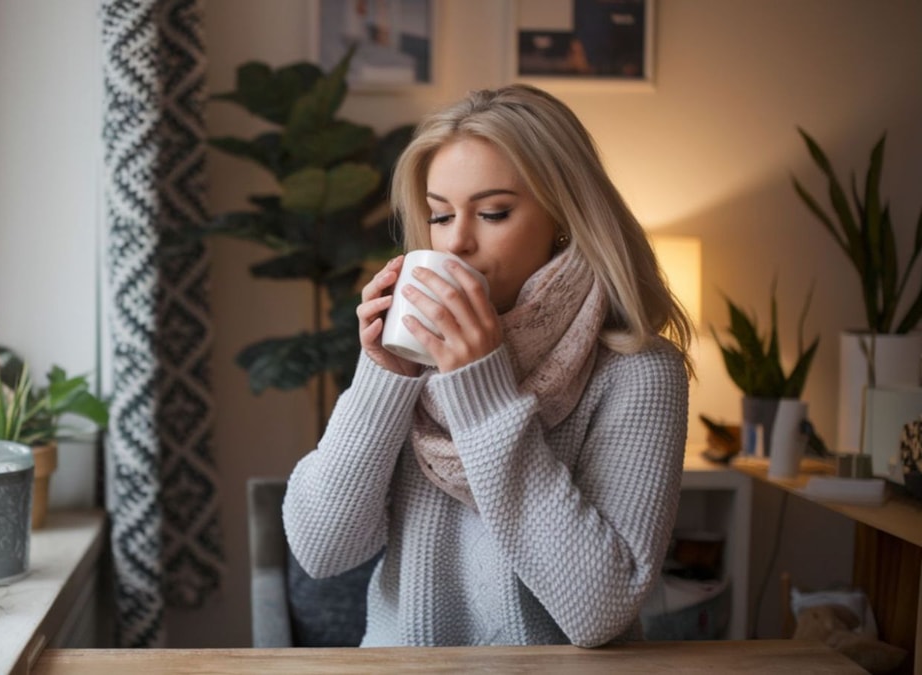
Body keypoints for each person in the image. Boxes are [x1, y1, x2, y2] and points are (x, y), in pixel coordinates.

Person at [282, 83, 693, 648]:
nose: (456, 244)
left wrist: (481, 387)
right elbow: (323, 551)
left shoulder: (638, 371)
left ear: (563, 218)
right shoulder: (410, 359)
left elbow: (600, 611)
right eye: (440, 215)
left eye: (494, 212)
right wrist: (384, 376)